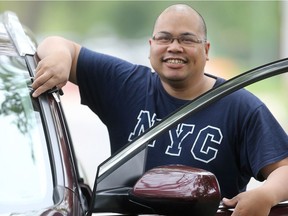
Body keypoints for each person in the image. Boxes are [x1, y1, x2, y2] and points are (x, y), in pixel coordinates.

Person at [31, 4, 288, 216]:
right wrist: (59, 58)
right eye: (164, 38)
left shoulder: (240, 106)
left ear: (206, 50)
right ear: (151, 45)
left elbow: (284, 168)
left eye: (187, 39)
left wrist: (266, 195)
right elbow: (58, 45)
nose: (174, 47)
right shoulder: (126, 85)